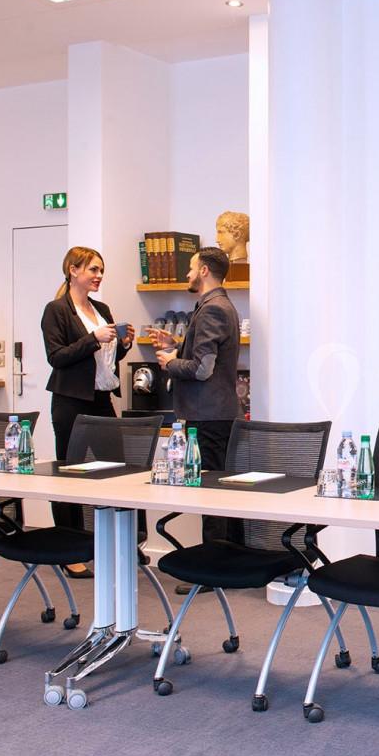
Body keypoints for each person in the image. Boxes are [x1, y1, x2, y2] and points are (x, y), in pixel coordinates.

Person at [151, 246, 240, 591]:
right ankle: (222, 567)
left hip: (207, 416)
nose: (187, 274)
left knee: (211, 494)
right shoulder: (220, 306)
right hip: (215, 414)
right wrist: (178, 346)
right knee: (217, 491)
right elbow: (205, 356)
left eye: (190, 268)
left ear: (203, 270)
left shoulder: (211, 310)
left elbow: (202, 370)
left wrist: (169, 363)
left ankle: (211, 571)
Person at [42, 246, 133, 578]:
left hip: (102, 398)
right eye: (93, 270)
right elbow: (57, 356)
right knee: (70, 474)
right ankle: (69, 550)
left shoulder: (101, 308)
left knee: (119, 470)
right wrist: (93, 338)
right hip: (70, 401)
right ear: (72, 270)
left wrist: (122, 345)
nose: (98, 276)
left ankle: (125, 543)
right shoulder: (57, 311)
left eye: (100, 271)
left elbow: (106, 363)